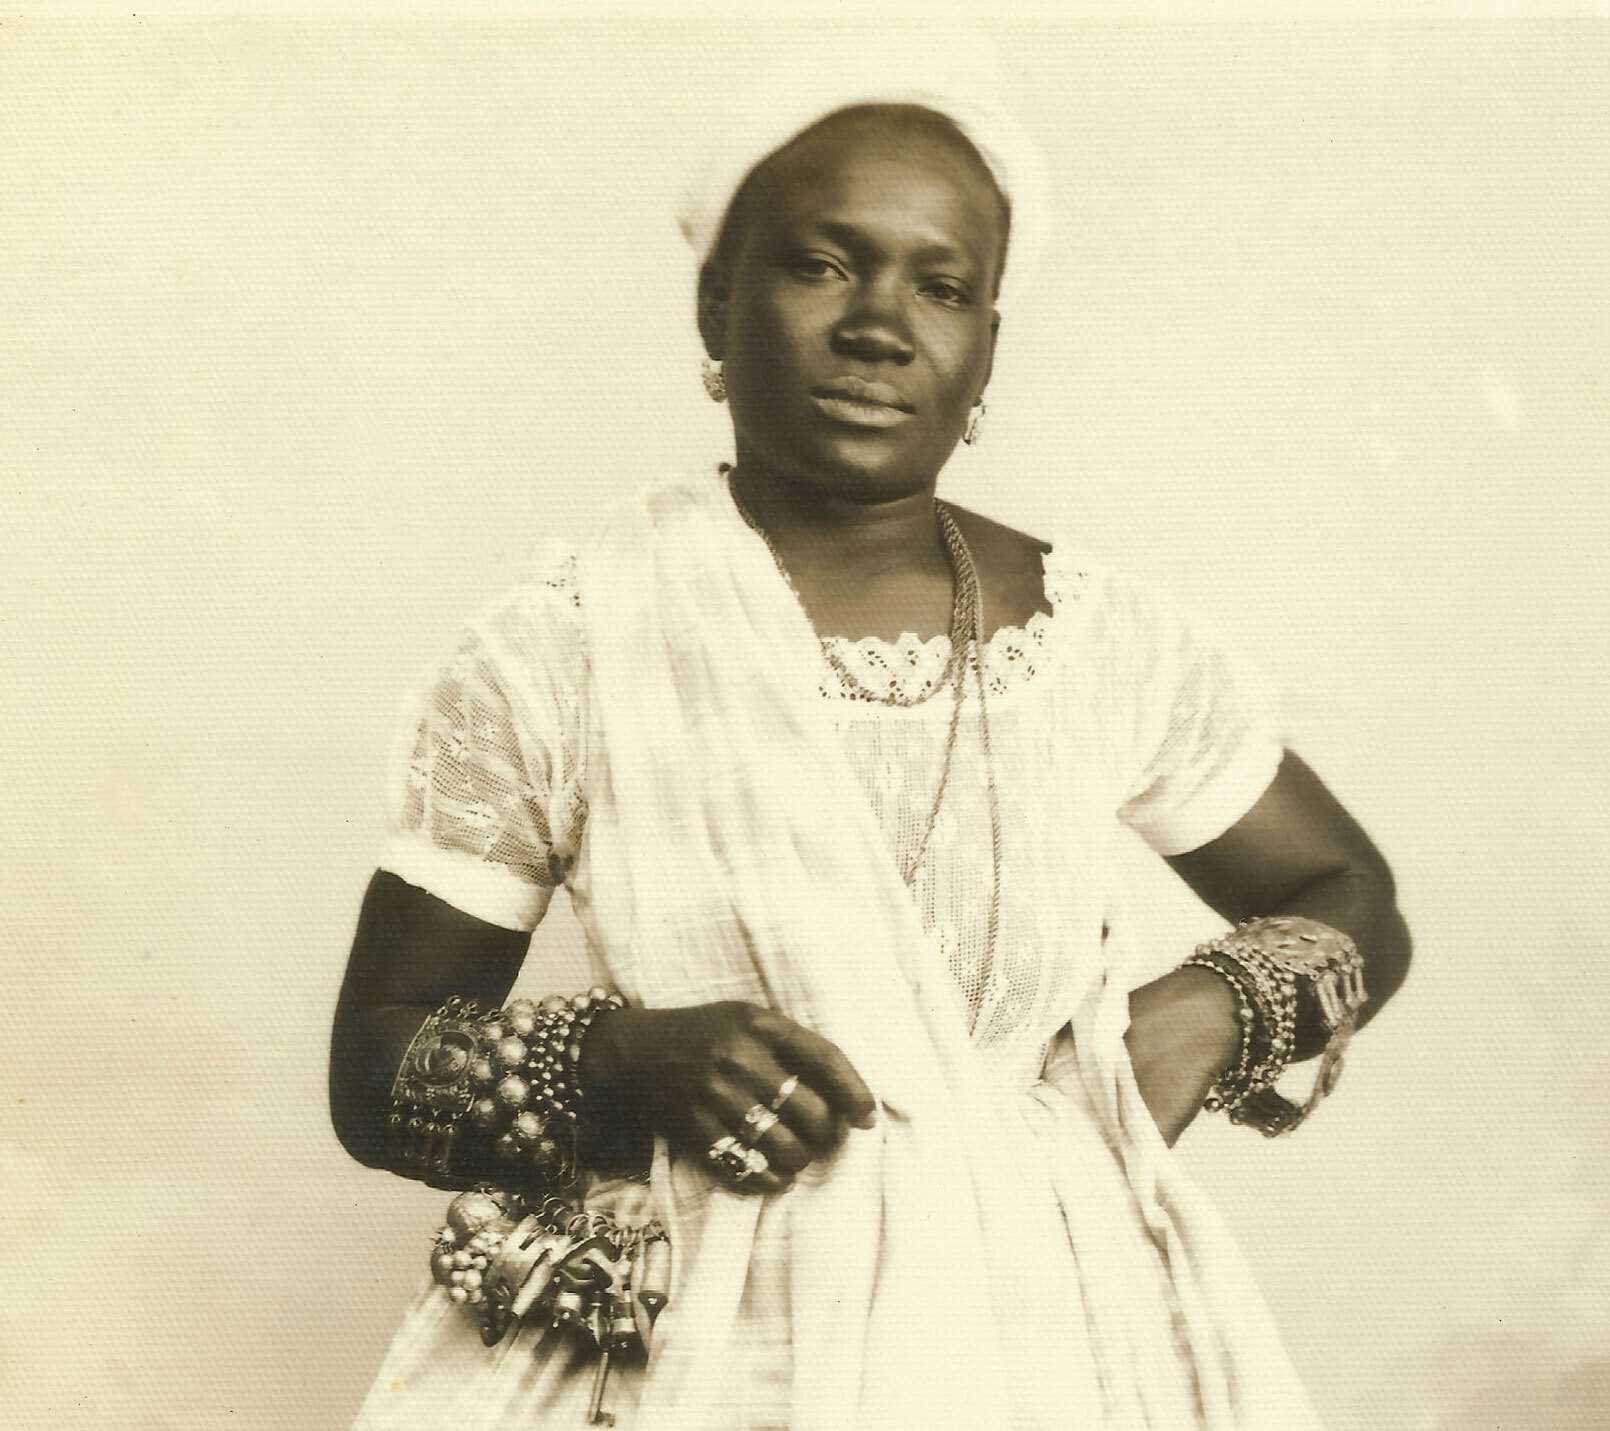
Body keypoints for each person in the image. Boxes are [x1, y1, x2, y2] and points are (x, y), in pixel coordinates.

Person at [331, 65, 1410, 1431]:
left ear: (987, 348)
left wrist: (1214, 1007)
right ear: (719, 306)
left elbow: (1347, 892)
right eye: (822, 266)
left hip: (1059, 1331)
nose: (879, 328)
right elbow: (375, 1067)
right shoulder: (566, 645)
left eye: (940, 287)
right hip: (699, 1348)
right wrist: (619, 1060)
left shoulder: (1099, 640)